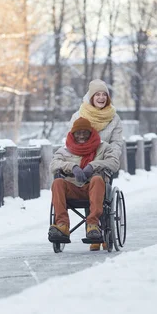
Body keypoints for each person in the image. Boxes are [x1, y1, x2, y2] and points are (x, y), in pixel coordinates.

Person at [48, 117, 120, 246]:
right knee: (57, 183)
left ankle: (93, 224)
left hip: (95, 189)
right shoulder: (65, 150)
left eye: (85, 132)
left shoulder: (103, 147)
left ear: (91, 132)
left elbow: (114, 163)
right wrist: (72, 167)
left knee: (97, 179)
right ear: (73, 134)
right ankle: (62, 225)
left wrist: (93, 166)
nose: (81, 136)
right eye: (78, 133)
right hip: (73, 188)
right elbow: (53, 165)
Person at [70, 79, 124, 250]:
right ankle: (92, 232)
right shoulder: (79, 115)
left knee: (100, 189)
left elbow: (116, 143)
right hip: (81, 161)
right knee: (85, 188)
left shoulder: (114, 118)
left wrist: (108, 158)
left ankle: (104, 231)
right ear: (91, 97)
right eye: (97, 94)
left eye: (104, 95)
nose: (101, 97)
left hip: (103, 163)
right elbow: (70, 141)